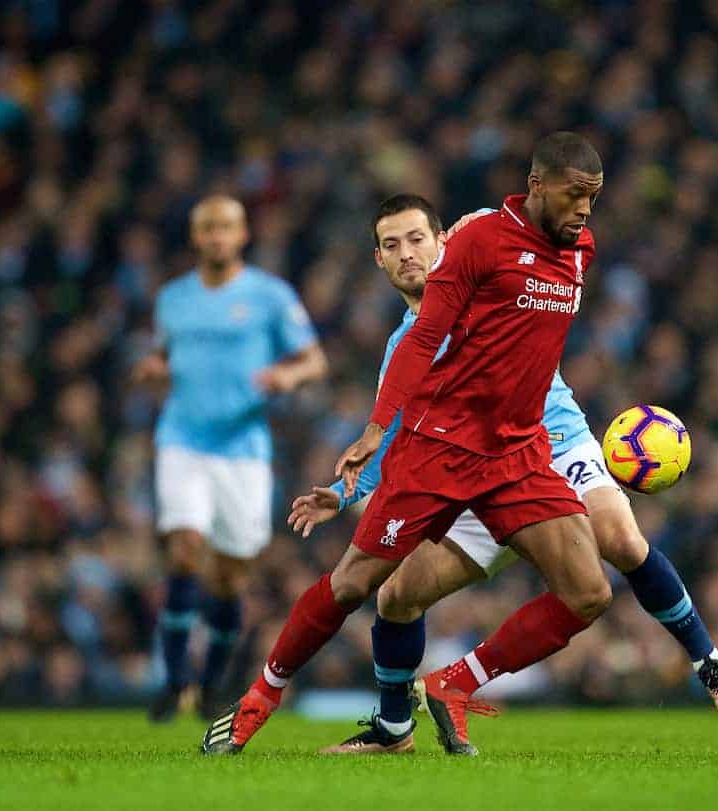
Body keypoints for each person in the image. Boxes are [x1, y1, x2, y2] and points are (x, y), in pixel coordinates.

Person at [284, 195, 718, 755]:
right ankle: (393, 730)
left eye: (418, 240)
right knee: (396, 599)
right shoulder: (403, 348)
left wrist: (481, 218)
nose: (409, 255)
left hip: (553, 444)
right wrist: (342, 493)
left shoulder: (486, 266)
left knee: (621, 540)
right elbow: (388, 444)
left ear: (442, 244)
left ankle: (711, 664)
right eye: (393, 246)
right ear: (379, 261)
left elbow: (538, 217)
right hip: (470, 474)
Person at [203, 131, 623, 756]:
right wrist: (370, 440)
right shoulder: (477, 248)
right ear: (538, 188)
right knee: (356, 586)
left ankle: (454, 686)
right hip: (440, 454)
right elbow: (426, 338)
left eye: (592, 197)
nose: (585, 209)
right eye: (574, 195)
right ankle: (258, 699)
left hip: (518, 455)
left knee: (590, 591)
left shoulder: (577, 249)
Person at [132, 196, 327, 722]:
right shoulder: (173, 298)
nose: (218, 236)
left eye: (227, 228)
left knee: (228, 576)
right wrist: (154, 366)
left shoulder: (269, 296)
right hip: (183, 440)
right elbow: (165, 354)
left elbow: (314, 359)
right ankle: (173, 680)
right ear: (196, 237)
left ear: (242, 235)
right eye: (208, 228)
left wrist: (289, 376)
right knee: (184, 548)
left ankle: (212, 681)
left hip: (243, 450)